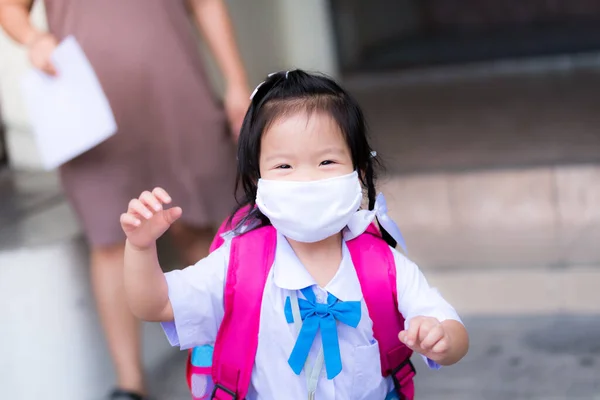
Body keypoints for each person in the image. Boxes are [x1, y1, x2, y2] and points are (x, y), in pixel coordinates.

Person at [120, 70, 469, 399]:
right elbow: (157, 304)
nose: (307, 180)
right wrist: (140, 247)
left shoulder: (384, 266)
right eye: (284, 166)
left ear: (358, 173)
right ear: (259, 181)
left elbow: (450, 328)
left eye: (327, 162)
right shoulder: (239, 265)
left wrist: (441, 338)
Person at [0, 1, 249, 399]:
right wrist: (35, 38)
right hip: (83, 106)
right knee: (109, 239)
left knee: (198, 228)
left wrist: (236, 80)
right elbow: (10, 8)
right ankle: (129, 384)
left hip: (177, 93)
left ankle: (231, 361)